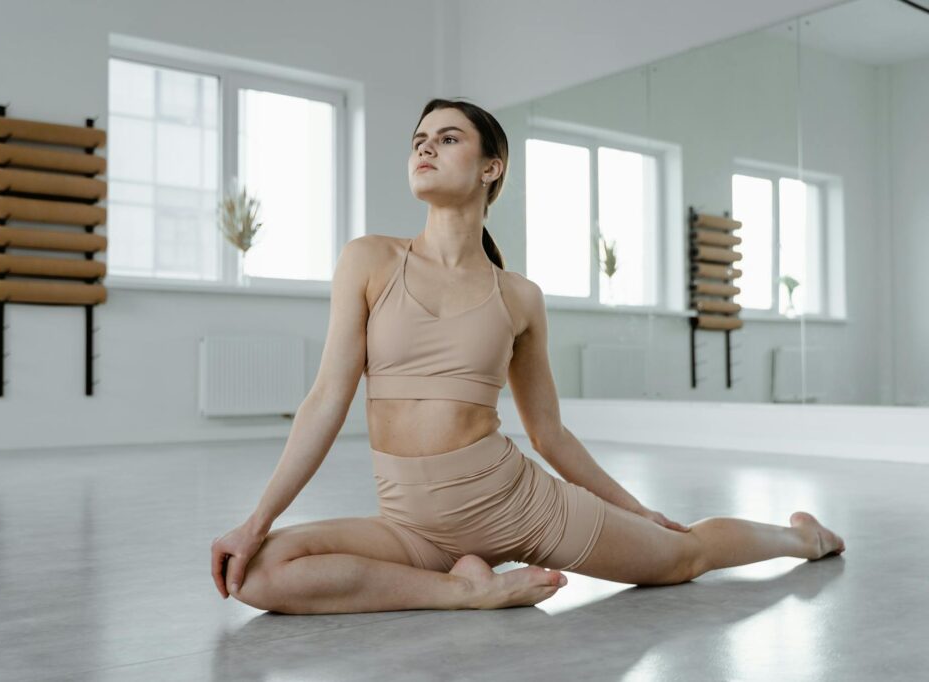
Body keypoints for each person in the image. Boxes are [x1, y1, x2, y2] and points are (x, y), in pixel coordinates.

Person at [210, 98, 845, 615]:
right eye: (419, 138)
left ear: (492, 166)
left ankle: (802, 537)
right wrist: (256, 520)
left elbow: (549, 433)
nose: (424, 146)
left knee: (681, 557)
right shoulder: (370, 260)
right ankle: (464, 591)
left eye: (448, 138)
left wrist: (634, 508)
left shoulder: (519, 297)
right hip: (414, 527)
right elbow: (326, 398)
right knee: (258, 573)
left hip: (523, 507)